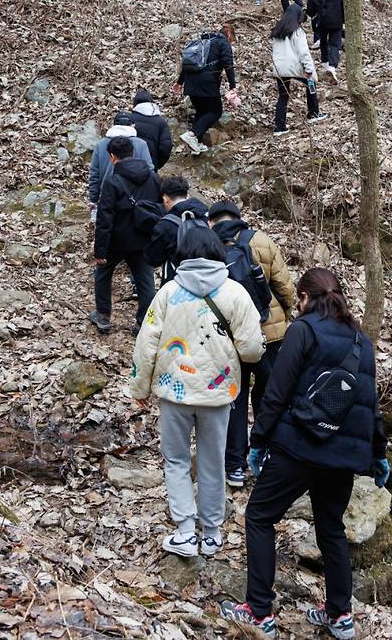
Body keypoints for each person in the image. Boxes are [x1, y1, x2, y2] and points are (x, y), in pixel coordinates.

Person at [220, 268, 389, 638]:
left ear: (305, 298)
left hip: (298, 448)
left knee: (260, 516)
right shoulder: (361, 341)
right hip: (342, 457)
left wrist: (258, 441)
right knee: (331, 528)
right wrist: (378, 453)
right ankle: (340, 615)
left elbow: (276, 391)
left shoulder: (303, 330)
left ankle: (259, 612)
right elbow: (369, 405)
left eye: (298, 299)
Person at [130, 223, 265, 559]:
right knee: (212, 460)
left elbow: (146, 343)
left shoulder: (167, 292)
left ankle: (186, 532)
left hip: (173, 393)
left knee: (176, 460)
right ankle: (213, 533)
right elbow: (251, 350)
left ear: (183, 254)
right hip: (217, 394)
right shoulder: (235, 293)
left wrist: (140, 387)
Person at [208, 200, 296, 489]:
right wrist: (283, 315)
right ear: (238, 217)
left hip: (229, 335)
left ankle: (234, 465)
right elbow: (285, 288)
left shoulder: (209, 245)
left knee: (235, 397)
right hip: (268, 333)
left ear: (212, 221)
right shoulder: (261, 241)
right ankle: (265, 455)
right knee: (268, 395)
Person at [92, 136, 161, 336]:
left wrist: (100, 250)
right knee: (146, 282)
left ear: (113, 157)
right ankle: (143, 322)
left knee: (103, 275)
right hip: (144, 239)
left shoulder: (112, 181)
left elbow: (105, 219)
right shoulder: (153, 178)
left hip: (117, 241)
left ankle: (103, 316)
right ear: (133, 153)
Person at [174, 24, 238, 154]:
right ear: (229, 34)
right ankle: (192, 135)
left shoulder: (202, 42)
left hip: (190, 82)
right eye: (232, 39)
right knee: (216, 111)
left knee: (202, 111)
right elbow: (228, 65)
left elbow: (190, 62)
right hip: (206, 83)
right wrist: (233, 86)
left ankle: (196, 144)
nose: (231, 42)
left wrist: (180, 82)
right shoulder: (223, 43)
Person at [271, 4, 326, 134]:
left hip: (279, 68)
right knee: (311, 84)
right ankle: (313, 112)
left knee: (283, 96)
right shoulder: (297, 31)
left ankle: (279, 127)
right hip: (294, 66)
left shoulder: (277, 31)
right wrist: (309, 69)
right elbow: (304, 53)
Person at [145, 176, 209, 284]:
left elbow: (153, 258)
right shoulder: (205, 214)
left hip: (178, 280)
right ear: (187, 195)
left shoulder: (165, 225)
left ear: (165, 199)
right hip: (207, 276)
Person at [88, 111, 154, 208]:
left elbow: (94, 174)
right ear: (133, 125)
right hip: (136, 197)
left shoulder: (101, 144)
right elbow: (149, 170)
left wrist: (93, 199)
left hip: (107, 194)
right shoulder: (141, 144)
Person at [307, 0, 344, 83]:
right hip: (336, 22)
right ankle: (332, 67)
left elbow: (310, 11)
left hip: (321, 22)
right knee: (335, 44)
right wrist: (344, 22)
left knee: (323, 42)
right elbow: (343, 7)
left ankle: (325, 64)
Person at [129, 90, 173, 171]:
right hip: (150, 168)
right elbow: (165, 147)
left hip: (129, 166)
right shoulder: (161, 122)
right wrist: (156, 164)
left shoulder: (129, 119)